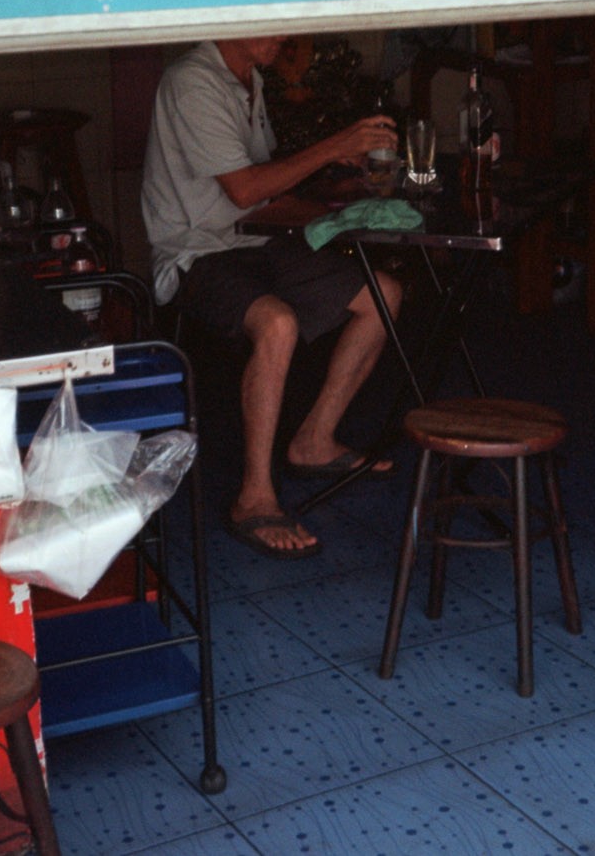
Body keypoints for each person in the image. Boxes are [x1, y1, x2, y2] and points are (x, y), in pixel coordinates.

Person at [141, 36, 402, 559]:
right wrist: (335, 144)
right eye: (272, 25)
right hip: (198, 255)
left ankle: (314, 440)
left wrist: (340, 203)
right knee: (277, 323)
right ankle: (253, 497)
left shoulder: (249, 81)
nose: (283, 38)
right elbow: (243, 189)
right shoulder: (193, 79)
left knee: (384, 296)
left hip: (253, 241)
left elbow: (264, 196)